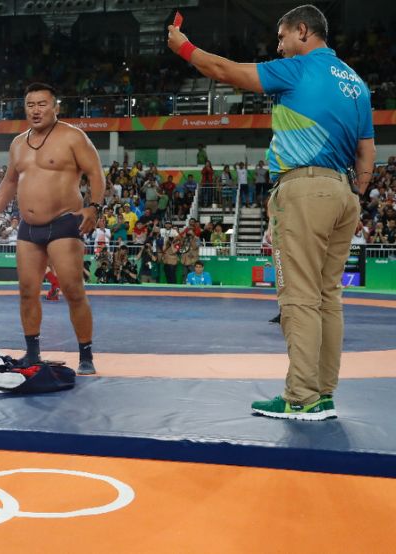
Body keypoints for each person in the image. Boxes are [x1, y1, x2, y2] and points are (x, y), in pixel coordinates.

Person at [168, 4, 375, 420]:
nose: (278, 47)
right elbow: (366, 153)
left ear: (302, 32)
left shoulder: (298, 69)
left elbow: (224, 71)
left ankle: (301, 397)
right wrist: (350, 191)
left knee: (297, 298)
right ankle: (323, 393)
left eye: (281, 38)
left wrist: (183, 47)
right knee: (327, 298)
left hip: (304, 191)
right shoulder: (356, 83)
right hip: (344, 194)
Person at [0, 82, 105, 375]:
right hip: (29, 227)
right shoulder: (17, 143)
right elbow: (10, 182)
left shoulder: (73, 137)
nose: (36, 110)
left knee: (73, 290)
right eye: (30, 105)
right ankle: (32, 352)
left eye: (42, 104)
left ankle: (86, 354)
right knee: (27, 291)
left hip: (64, 221)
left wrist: (94, 206)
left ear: (55, 107)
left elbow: (95, 172)